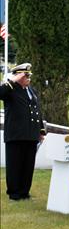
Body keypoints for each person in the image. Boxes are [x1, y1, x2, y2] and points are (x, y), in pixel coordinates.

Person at [0, 63, 46, 200]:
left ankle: (24, 192)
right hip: (16, 134)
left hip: (31, 134)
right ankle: (14, 193)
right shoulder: (10, 89)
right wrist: (12, 80)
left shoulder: (31, 90)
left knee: (27, 165)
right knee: (15, 165)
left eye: (28, 76)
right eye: (25, 76)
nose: (28, 78)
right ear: (18, 76)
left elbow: (37, 111)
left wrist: (41, 131)